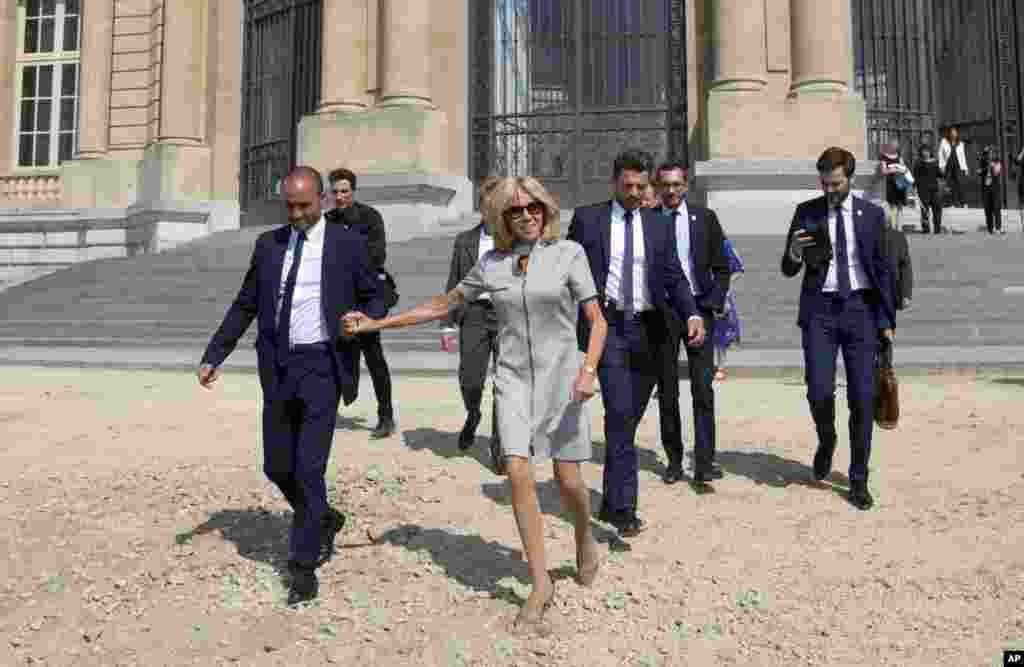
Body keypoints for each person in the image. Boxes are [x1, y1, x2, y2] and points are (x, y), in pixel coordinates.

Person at [343, 176, 607, 634]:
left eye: (533, 208)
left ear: (545, 212)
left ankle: (583, 532)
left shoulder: (570, 254)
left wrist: (588, 371)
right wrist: (376, 323)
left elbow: (597, 321)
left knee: (568, 483)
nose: (526, 216)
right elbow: (440, 306)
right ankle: (540, 583)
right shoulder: (491, 264)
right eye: (515, 211)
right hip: (512, 380)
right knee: (517, 470)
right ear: (501, 218)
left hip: (563, 380)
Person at [198, 166, 384, 605]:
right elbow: (245, 303)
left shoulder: (348, 244)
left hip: (323, 365)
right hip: (278, 367)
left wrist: (365, 316)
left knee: (309, 467)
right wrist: (215, 353)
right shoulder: (269, 245)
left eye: (304, 205)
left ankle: (303, 565)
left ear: (321, 199)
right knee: (277, 466)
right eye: (290, 206)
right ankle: (323, 516)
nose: (297, 214)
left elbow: (377, 294)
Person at [568, 149, 705, 536]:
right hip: (608, 329)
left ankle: (612, 501)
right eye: (626, 185)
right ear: (614, 183)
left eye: (640, 186)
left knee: (625, 421)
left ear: (649, 186)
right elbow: (570, 271)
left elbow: (676, 275)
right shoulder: (588, 219)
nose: (633, 192)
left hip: (650, 331)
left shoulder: (658, 225)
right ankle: (624, 509)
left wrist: (692, 313)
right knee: (620, 413)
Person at [781, 147, 895, 511]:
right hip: (820, 312)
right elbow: (787, 267)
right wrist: (796, 253)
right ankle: (826, 439)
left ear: (850, 178)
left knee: (862, 398)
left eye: (837, 183)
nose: (830, 190)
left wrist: (887, 322)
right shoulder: (807, 213)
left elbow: (884, 271)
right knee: (818, 390)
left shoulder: (872, 216)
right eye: (825, 183)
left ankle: (858, 477)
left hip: (861, 310)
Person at [652, 161, 730, 486]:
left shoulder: (705, 218)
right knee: (668, 389)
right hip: (664, 314)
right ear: (658, 187)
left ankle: (704, 460)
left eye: (676, 185)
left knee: (703, 387)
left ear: (685, 186)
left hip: (701, 310)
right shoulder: (649, 220)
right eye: (665, 185)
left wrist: (712, 302)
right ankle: (673, 460)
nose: (671, 191)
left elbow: (723, 266)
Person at [326, 168, 396, 438]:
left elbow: (376, 256)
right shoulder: (327, 221)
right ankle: (327, 409)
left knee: (373, 353)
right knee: (335, 352)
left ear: (353, 191)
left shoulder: (370, 217)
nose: (340, 196)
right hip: (341, 296)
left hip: (369, 295)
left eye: (344, 191)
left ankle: (386, 416)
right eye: (335, 192)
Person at [442, 176, 505, 472]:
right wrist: (446, 323)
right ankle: (473, 413)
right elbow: (454, 283)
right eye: (487, 203)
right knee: (470, 379)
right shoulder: (465, 240)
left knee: (505, 386)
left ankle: (500, 447)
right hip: (474, 316)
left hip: (508, 318)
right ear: (480, 206)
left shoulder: (517, 240)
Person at [713, 238, 745, 381]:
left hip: (721, 294)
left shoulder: (725, 245)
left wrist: (726, 288)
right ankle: (706, 365)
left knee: (722, 331)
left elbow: (739, 269)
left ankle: (721, 367)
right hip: (701, 293)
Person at [913, 144, 944, 234]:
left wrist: (942, 170)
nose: (926, 153)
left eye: (927, 151)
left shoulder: (934, 162)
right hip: (923, 190)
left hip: (934, 189)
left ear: (930, 152)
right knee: (925, 210)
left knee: (937, 209)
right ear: (921, 152)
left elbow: (939, 174)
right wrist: (915, 188)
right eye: (924, 151)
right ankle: (926, 229)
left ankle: (937, 228)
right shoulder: (918, 163)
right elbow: (916, 176)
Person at [939, 127, 968, 208]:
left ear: (957, 133)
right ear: (949, 133)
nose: (953, 133)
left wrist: (965, 168)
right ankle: (950, 203)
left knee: (959, 183)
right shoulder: (944, 141)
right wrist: (941, 166)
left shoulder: (961, 143)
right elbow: (940, 153)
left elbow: (963, 156)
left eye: (955, 132)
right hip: (948, 165)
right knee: (949, 184)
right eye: (952, 132)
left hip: (958, 165)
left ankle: (963, 202)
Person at [978, 145, 1004, 234]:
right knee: (987, 209)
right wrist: (984, 168)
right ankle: (990, 228)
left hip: (995, 188)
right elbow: (979, 171)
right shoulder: (983, 161)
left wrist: (992, 165)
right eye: (987, 154)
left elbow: (997, 171)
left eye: (990, 153)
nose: (989, 155)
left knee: (996, 208)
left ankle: (998, 228)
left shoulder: (997, 161)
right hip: (985, 188)